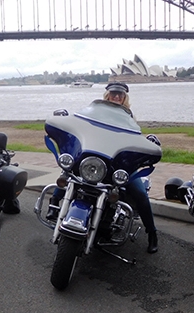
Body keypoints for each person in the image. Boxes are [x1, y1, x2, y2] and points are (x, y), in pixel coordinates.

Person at [46, 82, 159, 254]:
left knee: (139, 192)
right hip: (95, 159)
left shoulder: (129, 118)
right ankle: (53, 205)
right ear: (107, 95)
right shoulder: (94, 110)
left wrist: (148, 144)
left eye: (120, 95)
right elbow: (81, 124)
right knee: (70, 172)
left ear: (125, 98)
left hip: (115, 164)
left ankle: (152, 233)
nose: (116, 97)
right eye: (113, 93)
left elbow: (136, 138)